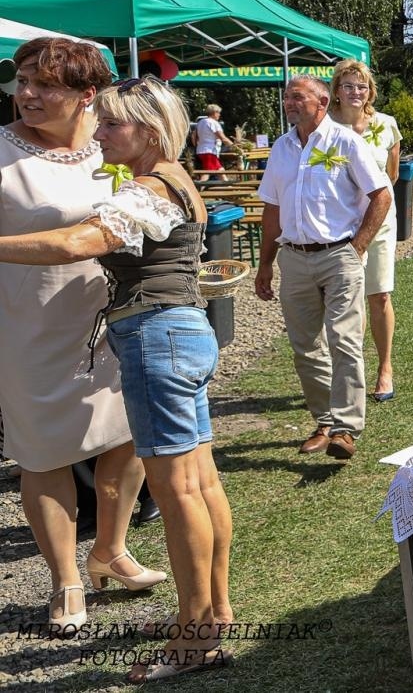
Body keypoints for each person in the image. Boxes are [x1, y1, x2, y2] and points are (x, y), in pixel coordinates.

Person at [0, 74, 235, 681]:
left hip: (159, 338)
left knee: (181, 492)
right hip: (179, 333)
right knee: (201, 483)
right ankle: (211, 619)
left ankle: (192, 639)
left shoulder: (150, 190)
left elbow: (79, 242)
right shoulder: (172, 178)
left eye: (111, 124)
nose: (98, 133)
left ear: (149, 133)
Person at [0, 38, 163, 640]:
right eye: (21, 81)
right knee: (44, 455)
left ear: (86, 94)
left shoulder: (117, 140)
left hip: (117, 319)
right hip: (28, 327)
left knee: (127, 438)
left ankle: (111, 550)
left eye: (45, 85)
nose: (27, 94)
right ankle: (65, 578)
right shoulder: (1, 154)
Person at [255, 74, 391, 461]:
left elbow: (381, 194)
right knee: (305, 347)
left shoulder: (346, 141)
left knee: (344, 340)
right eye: (286, 97)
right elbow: (273, 208)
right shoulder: (281, 147)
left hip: (338, 256)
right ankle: (325, 421)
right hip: (294, 257)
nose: (288, 103)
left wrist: (358, 247)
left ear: (321, 101)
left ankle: (346, 429)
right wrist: (265, 263)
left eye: (297, 96)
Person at [327, 59, 402, 402]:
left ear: (370, 91)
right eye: (348, 85)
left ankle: (384, 368)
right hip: (339, 225)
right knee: (343, 302)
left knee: (379, 295)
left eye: (362, 86)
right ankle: (346, 376)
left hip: (379, 223)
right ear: (336, 91)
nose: (355, 92)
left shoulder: (386, 125)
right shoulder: (324, 127)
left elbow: (392, 175)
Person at [189, 104, 235, 182]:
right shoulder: (214, 123)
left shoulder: (200, 122)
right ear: (214, 113)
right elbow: (223, 138)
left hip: (201, 150)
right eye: (218, 113)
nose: (219, 115)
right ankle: (199, 188)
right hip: (209, 151)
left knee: (220, 170)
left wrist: (198, 145)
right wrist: (235, 146)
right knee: (207, 173)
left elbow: (193, 137)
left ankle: (228, 186)